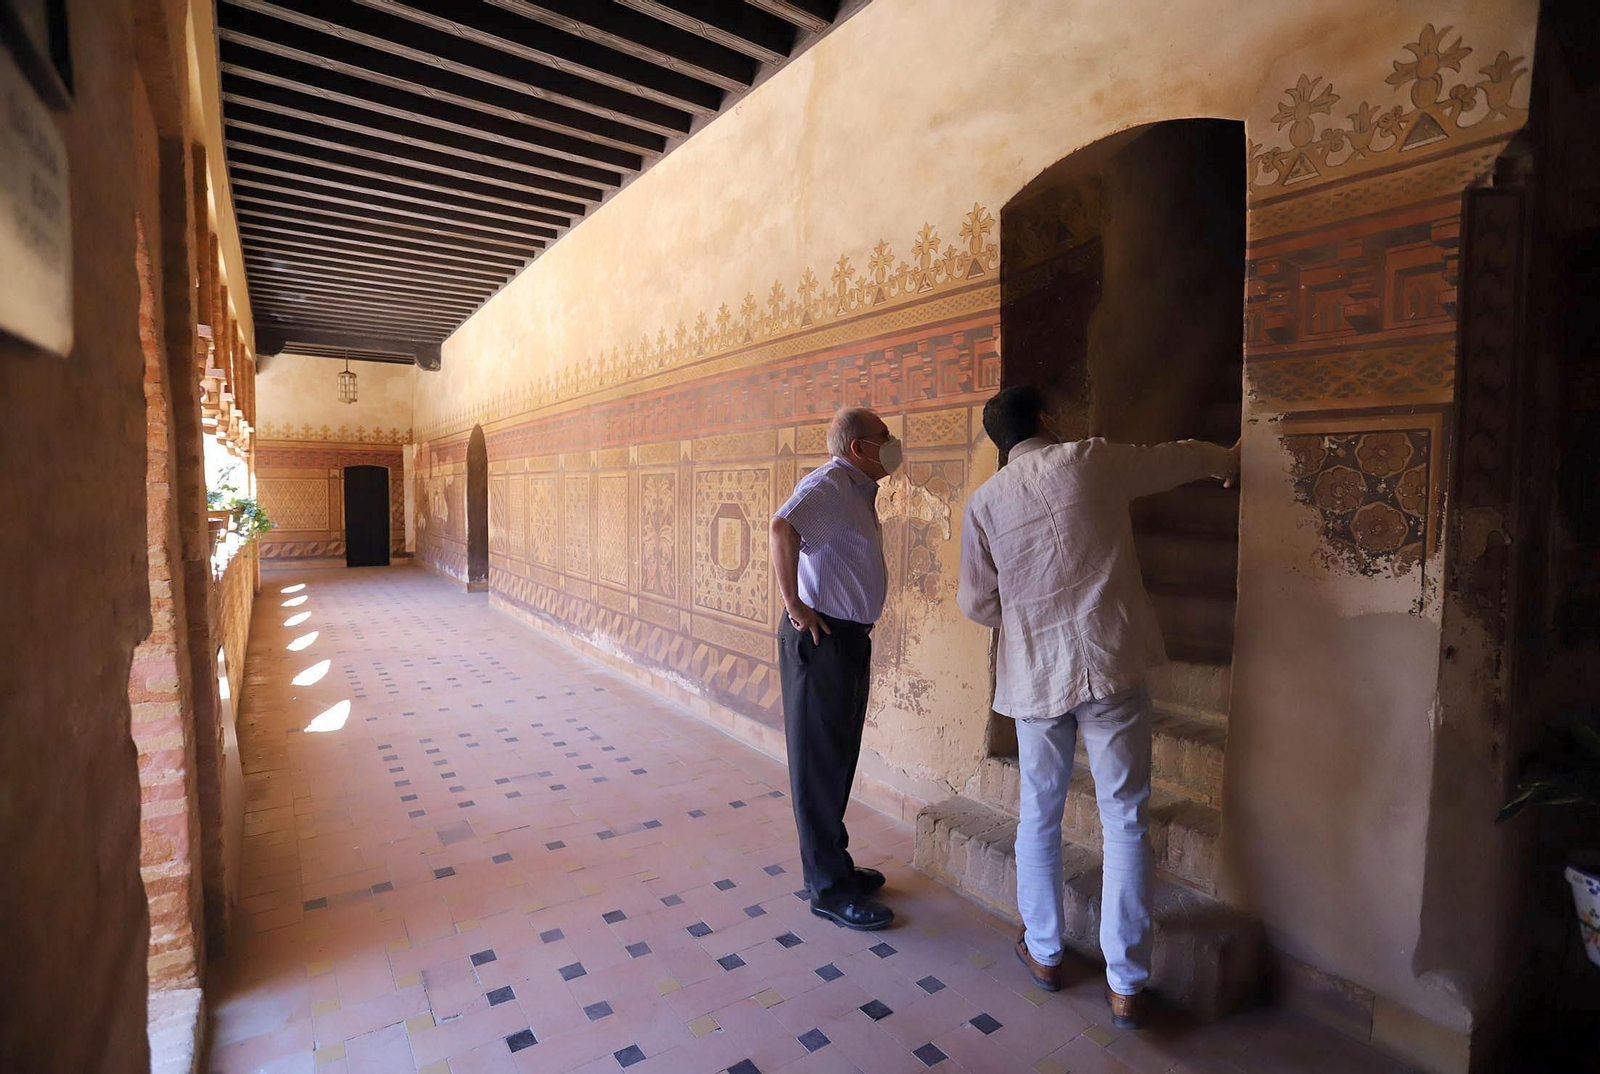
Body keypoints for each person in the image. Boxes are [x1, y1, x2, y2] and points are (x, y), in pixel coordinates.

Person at [957, 385, 1238, 1029]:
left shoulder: (986, 504)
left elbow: (975, 604)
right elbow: (1170, 459)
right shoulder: (1089, 459)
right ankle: (1127, 983)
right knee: (1126, 817)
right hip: (1109, 663)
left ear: (1002, 441)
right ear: (1048, 421)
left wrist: (1026, 614)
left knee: (1040, 813)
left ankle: (1048, 952)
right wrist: (1226, 459)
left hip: (1034, 676)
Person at [770, 406, 903, 930]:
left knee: (838, 754)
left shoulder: (856, 489)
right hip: (819, 637)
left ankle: (836, 865)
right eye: (883, 437)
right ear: (858, 449)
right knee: (818, 761)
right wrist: (795, 607)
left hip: (848, 638)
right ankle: (825, 889)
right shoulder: (830, 483)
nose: (892, 444)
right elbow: (782, 528)